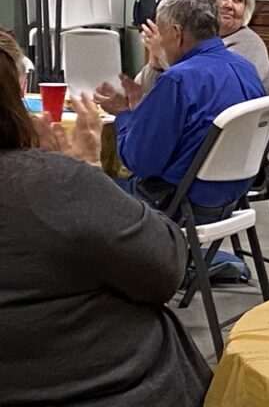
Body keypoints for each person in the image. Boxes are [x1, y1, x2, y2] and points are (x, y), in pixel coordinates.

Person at [0, 31, 211, 405]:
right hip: (114, 387)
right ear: (19, 93)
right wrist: (88, 170)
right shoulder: (53, 184)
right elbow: (167, 267)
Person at [95, 0, 266, 218]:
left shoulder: (178, 80)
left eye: (161, 33)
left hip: (177, 204)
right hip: (230, 199)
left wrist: (124, 114)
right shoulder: (246, 69)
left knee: (84, 187)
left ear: (176, 33)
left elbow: (140, 162)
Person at [139, 0, 269, 95]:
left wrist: (163, 56)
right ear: (205, 2)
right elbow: (145, 89)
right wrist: (154, 64)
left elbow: (203, 94)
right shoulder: (195, 36)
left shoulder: (248, 43)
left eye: (237, 0)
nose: (229, 5)